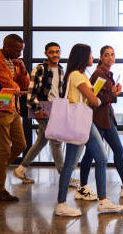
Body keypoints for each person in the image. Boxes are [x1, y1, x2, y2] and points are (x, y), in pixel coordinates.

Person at [55, 43, 123, 217]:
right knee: (75, 163)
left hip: (83, 120)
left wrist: (100, 96)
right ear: (83, 57)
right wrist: (100, 98)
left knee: (98, 158)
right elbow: (93, 100)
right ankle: (62, 204)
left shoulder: (79, 74)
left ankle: (102, 201)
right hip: (80, 121)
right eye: (91, 54)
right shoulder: (77, 75)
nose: (93, 57)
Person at [74, 45, 123, 200]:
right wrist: (114, 94)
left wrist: (113, 93)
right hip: (98, 119)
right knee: (91, 154)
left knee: (117, 149)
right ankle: (82, 187)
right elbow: (95, 99)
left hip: (106, 119)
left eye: (112, 54)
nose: (110, 57)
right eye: (106, 54)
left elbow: (104, 97)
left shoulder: (106, 73)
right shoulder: (99, 74)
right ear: (101, 57)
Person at [13, 42, 79, 186]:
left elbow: (61, 93)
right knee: (55, 140)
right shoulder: (40, 69)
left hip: (56, 109)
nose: (55, 54)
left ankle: (21, 169)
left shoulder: (62, 70)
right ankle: (64, 176)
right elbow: (31, 91)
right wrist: (37, 110)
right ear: (46, 54)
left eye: (57, 51)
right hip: (41, 108)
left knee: (42, 141)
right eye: (51, 52)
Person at [0, 34, 30, 201]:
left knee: (20, 144)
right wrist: (16, 86)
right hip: (1, 107)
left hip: (12, 106)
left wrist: (23, 69)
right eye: (17, 50)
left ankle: (0, 168)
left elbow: (24, 84)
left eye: (21, 50)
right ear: (7, 46)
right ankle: (0, 189)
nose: (20, 53)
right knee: (3, 150)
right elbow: (6, 82)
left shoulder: (16, 62)